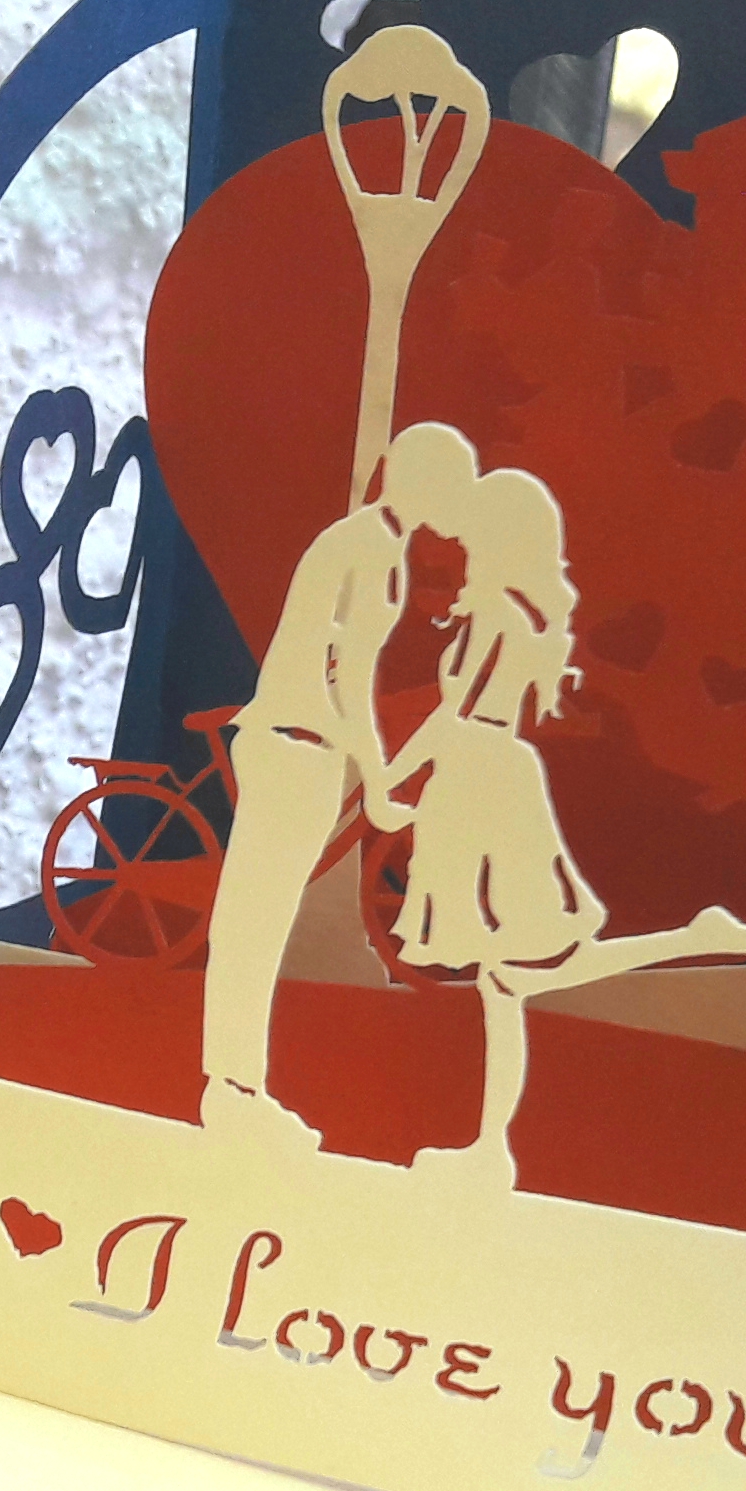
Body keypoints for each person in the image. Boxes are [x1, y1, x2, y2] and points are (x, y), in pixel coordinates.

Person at [369, 455, 746, 1193]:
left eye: (476, 529)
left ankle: (693, 940)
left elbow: (455, 717)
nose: (462, 539)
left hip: (480, 779)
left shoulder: (500, 615)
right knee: (509, 980)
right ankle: (491, 1149)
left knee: (517, 973)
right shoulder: (510, 612)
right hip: (485, 776)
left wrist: (386, 777)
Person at [195, 423, 475, 1152]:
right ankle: (231, 1089)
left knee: (258, 918)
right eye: (451, 483)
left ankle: (237, 1085)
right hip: (295, 747)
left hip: (302, 747)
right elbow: (348, 675)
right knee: (255, 919)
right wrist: (377, 778)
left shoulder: (371, 546)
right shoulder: (369, 549)